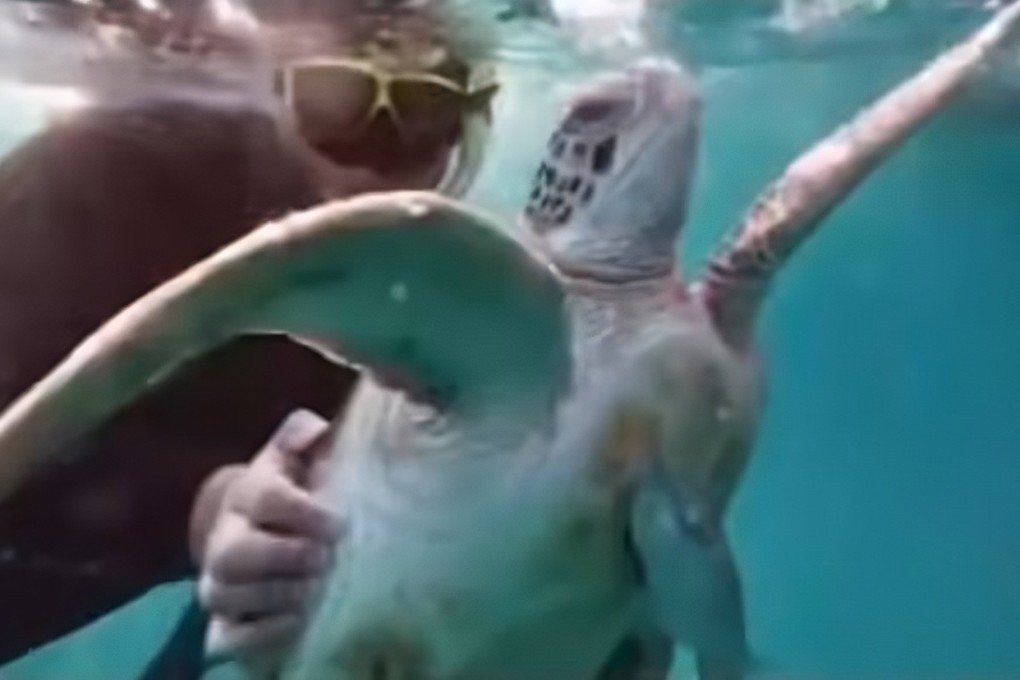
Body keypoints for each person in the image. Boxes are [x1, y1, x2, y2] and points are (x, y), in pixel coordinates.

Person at [0, 0, 497, 664]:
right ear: (275, 87)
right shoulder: (92, 175)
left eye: (429, 115)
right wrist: (203, 507)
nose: (378, 161)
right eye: (336, 103)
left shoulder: (389, 307)